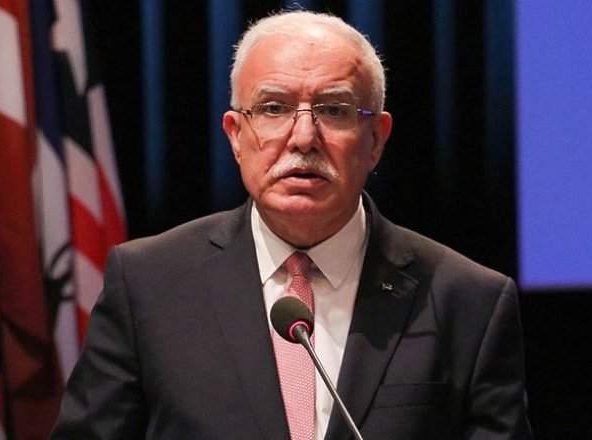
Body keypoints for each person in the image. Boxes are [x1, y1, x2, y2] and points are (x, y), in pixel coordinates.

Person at [51, 10, 532, 440]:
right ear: (236, 135)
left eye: (334, 110)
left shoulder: (467, 301)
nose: (303, 137)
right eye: (274, 108)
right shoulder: (149, 284)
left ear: (375, 139)